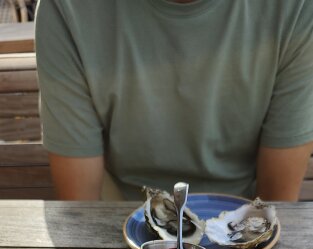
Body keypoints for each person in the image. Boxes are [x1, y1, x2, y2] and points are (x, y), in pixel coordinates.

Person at [35, 0, 313, 202]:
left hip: (241, 223)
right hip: (116, 222)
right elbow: (81, 205)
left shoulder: (297, 8)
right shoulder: (66, 8)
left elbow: (276, 201)